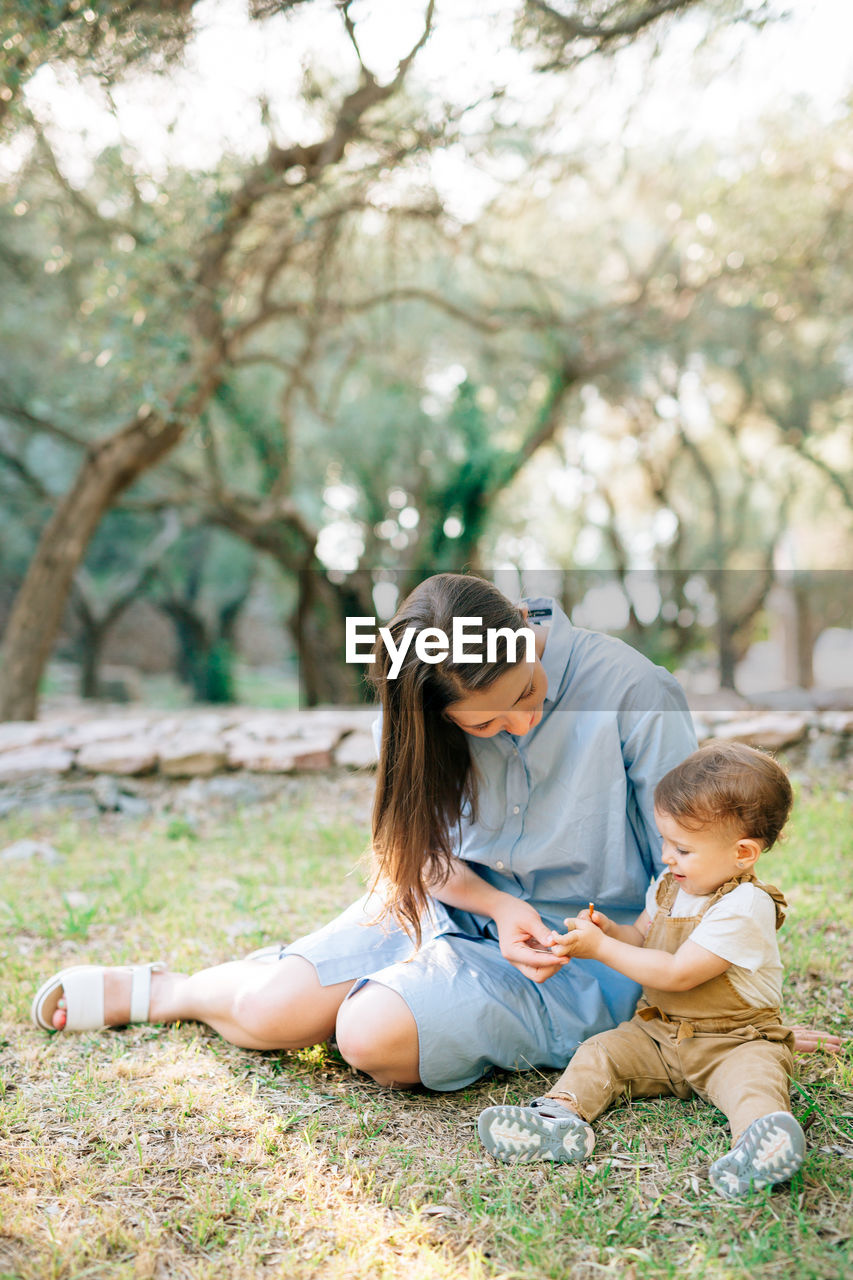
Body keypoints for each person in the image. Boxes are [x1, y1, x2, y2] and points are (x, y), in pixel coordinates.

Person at [32, 574, 839, 1087]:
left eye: (526, 692)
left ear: (521, 628)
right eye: (487, 722)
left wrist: (730, 1020)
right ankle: (168, 989)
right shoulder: (432, 712)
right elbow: (422, 859)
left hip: (588, 954)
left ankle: (380, 987)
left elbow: (694, 878)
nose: (520, 721)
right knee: (277, 1015)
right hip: (459, 908)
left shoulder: (635, 693)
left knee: (369, 1034)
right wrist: (496, 908)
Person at [477, 741, 807, 1198]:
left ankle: (759, 1146)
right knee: (602, 1052)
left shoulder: (746, 906)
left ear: (744, 853)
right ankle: (557, 1120)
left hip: (734, 1039)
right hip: (658, 1032)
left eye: (683, 848)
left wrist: (601, 950)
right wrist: (607, 932)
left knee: (754, 1080)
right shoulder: (671, 886)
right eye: (665, 842)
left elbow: (677, 973)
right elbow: (641, 939)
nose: (668, 857)